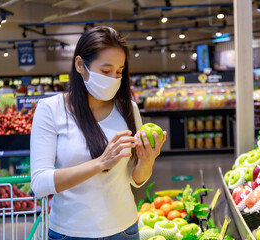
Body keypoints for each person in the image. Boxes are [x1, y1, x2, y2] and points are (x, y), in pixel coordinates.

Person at [30, 26, 167, 240]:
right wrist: (101, 163)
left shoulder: (128, 109)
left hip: (124, 230)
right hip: (69, 233)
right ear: (79, 65)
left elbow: (135, 180)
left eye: (119, 71)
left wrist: (147, 160)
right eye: (105, 71)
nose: (113, 78)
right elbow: (40, 184)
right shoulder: (50, 109)